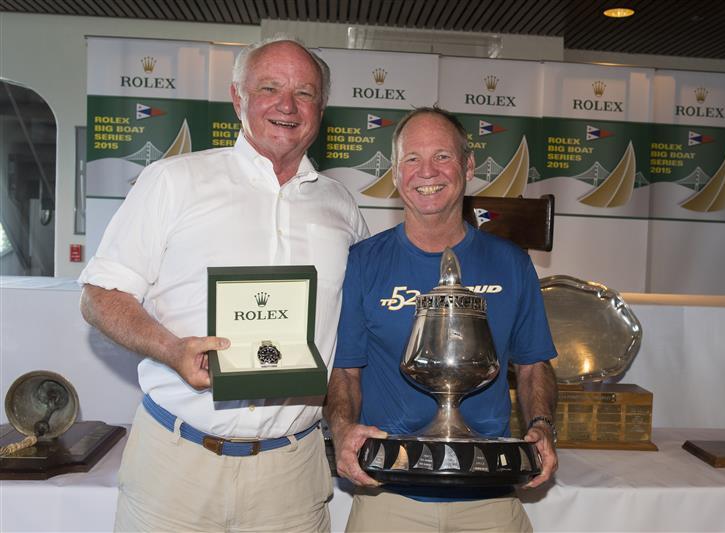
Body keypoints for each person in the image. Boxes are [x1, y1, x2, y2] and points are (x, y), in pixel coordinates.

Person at [79, 38, 368, 532]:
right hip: (177, 464)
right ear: (238, 98)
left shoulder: (341, 207)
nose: (287, 105)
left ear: (320, 109)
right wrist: (172, 349)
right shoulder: (172, 181)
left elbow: (354, 338)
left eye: (304, 93)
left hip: (291, 474)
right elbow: (100, 296)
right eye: (269, 88)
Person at [324, 107, 558, 532]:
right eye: (411, 159)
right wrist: (341, 430)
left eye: (442, 156)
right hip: (389, 496)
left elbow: (532, 364)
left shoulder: (511, 263)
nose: (426, 171)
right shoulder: (362, 263)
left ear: (468, 165)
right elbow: (346, 371)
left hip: (489, 497)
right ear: (395, 174)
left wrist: (541, 425)